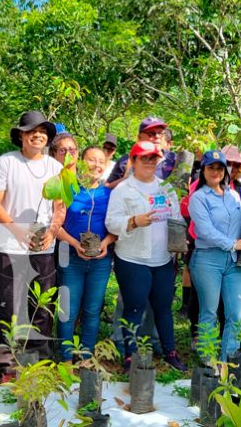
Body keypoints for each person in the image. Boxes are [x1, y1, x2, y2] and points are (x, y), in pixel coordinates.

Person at [0, 111, 65, 380]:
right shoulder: (7, 162)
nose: (38, 135)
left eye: (43, 131)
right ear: (20, 134)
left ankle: (39, 358)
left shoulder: (55, 167)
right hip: (11, 245)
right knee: (9, 305)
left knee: (42, 305)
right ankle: (7, 362)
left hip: (43, 246)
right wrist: (15, 228)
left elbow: (60, 206)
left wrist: (53, 230)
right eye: (31, 130)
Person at [105, 141, 187, 372]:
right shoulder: (123, 190)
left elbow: (176, 218)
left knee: (163, 307)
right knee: (134, 307)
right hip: (133, 259)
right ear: (133, 161)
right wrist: (133, 221)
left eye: (153, 158)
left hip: (162, 259)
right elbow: (111, 222)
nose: (150, 162)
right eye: (144, 158)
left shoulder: (166, 188)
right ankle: (131, 356)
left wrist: (180, 240)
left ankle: (170, 352)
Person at [188, 150, 241, 361]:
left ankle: (229, 361)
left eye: (220, 167)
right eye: (211, 167)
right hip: (208, 259)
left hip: (235, 261)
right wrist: (233, 244)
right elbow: (205, 230)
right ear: (204, 170)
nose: (216, 172)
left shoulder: (234, 195)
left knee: (235, 314)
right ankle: (208, 362)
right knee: (208, 311)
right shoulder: (198, 197)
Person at [56, 146, 115, 362]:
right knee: (68, 311)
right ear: (82, 161)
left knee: (92, 309)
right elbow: (56, 225)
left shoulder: (108, 193)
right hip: (72, 259)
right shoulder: (69, 189)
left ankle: (87, 357)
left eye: (101, 161)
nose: (97, 165)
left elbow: (116, 226)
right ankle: (65, 359)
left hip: (100, 260)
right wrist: (74, 243)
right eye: (92, 160)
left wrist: (106, 243)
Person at [105, 117, 177, 189]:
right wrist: (130, 178)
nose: (157, 136)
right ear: (139, 138)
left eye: (160, 133)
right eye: (152, 133)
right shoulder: (126, 160)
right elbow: (107, 187)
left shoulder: (174, 159)